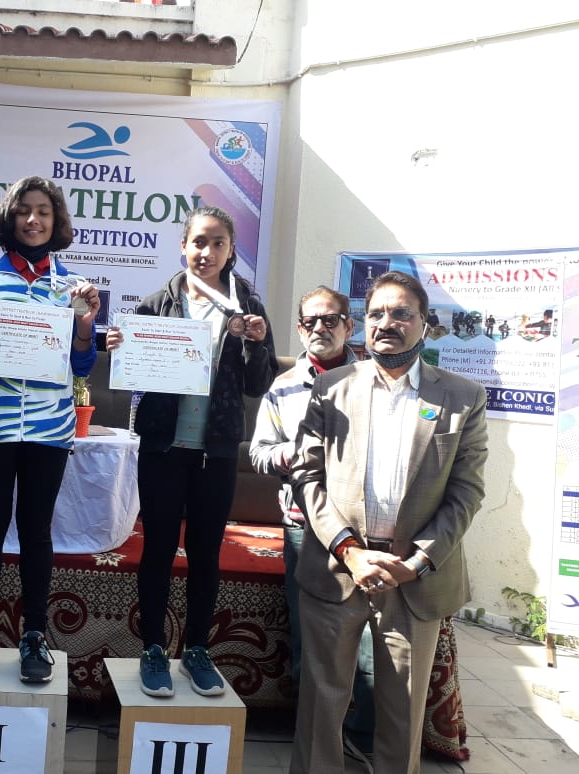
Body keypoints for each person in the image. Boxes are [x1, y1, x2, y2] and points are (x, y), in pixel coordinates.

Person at [289, 270, 488, 774]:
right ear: (363, 324)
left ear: (424, 323)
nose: (386, 323)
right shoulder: (332, 387)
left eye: (401, 313)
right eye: (376, 313)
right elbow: (307, 476)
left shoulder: (462, 397)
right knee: (321, 708)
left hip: (413, 579)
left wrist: (416, 562)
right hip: (338, 569)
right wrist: (349, 551)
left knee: (403, 712)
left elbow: (466, 492)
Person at [106, 205, 278, 698]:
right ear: (183, 246)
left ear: (231, 250)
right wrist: (120, 348)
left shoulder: (246, 305)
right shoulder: (156, 303)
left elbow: (258, 384)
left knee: (205, 553)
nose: (207, 251)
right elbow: (133, 374)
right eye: (198, 241)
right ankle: (153, 650)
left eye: (218, 242)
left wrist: (256, 344)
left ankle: (198, 649)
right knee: (158, 549)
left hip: (216, 452)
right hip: (163, 448)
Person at [0, 175, 99, 683]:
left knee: (37, 531)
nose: (33, 219)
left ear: (56, 221)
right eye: (23, 211)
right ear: (10, 218)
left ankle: (34, 634)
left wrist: (85, 327)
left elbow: (81, 366)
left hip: (48, 427)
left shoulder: (73, 287)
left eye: (43, 211)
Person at [249, 286, 375, 758]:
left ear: (349, 325)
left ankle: (363, 738)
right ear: (300, 329)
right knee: (310, 639)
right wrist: (292, 453)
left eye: (330, 320)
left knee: (371, 646)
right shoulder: (282, 387)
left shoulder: (376, 380)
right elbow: (258, 453)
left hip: (368, 529)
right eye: (309, 322)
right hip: (306, 528)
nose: (319, 328)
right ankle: (315, 742)